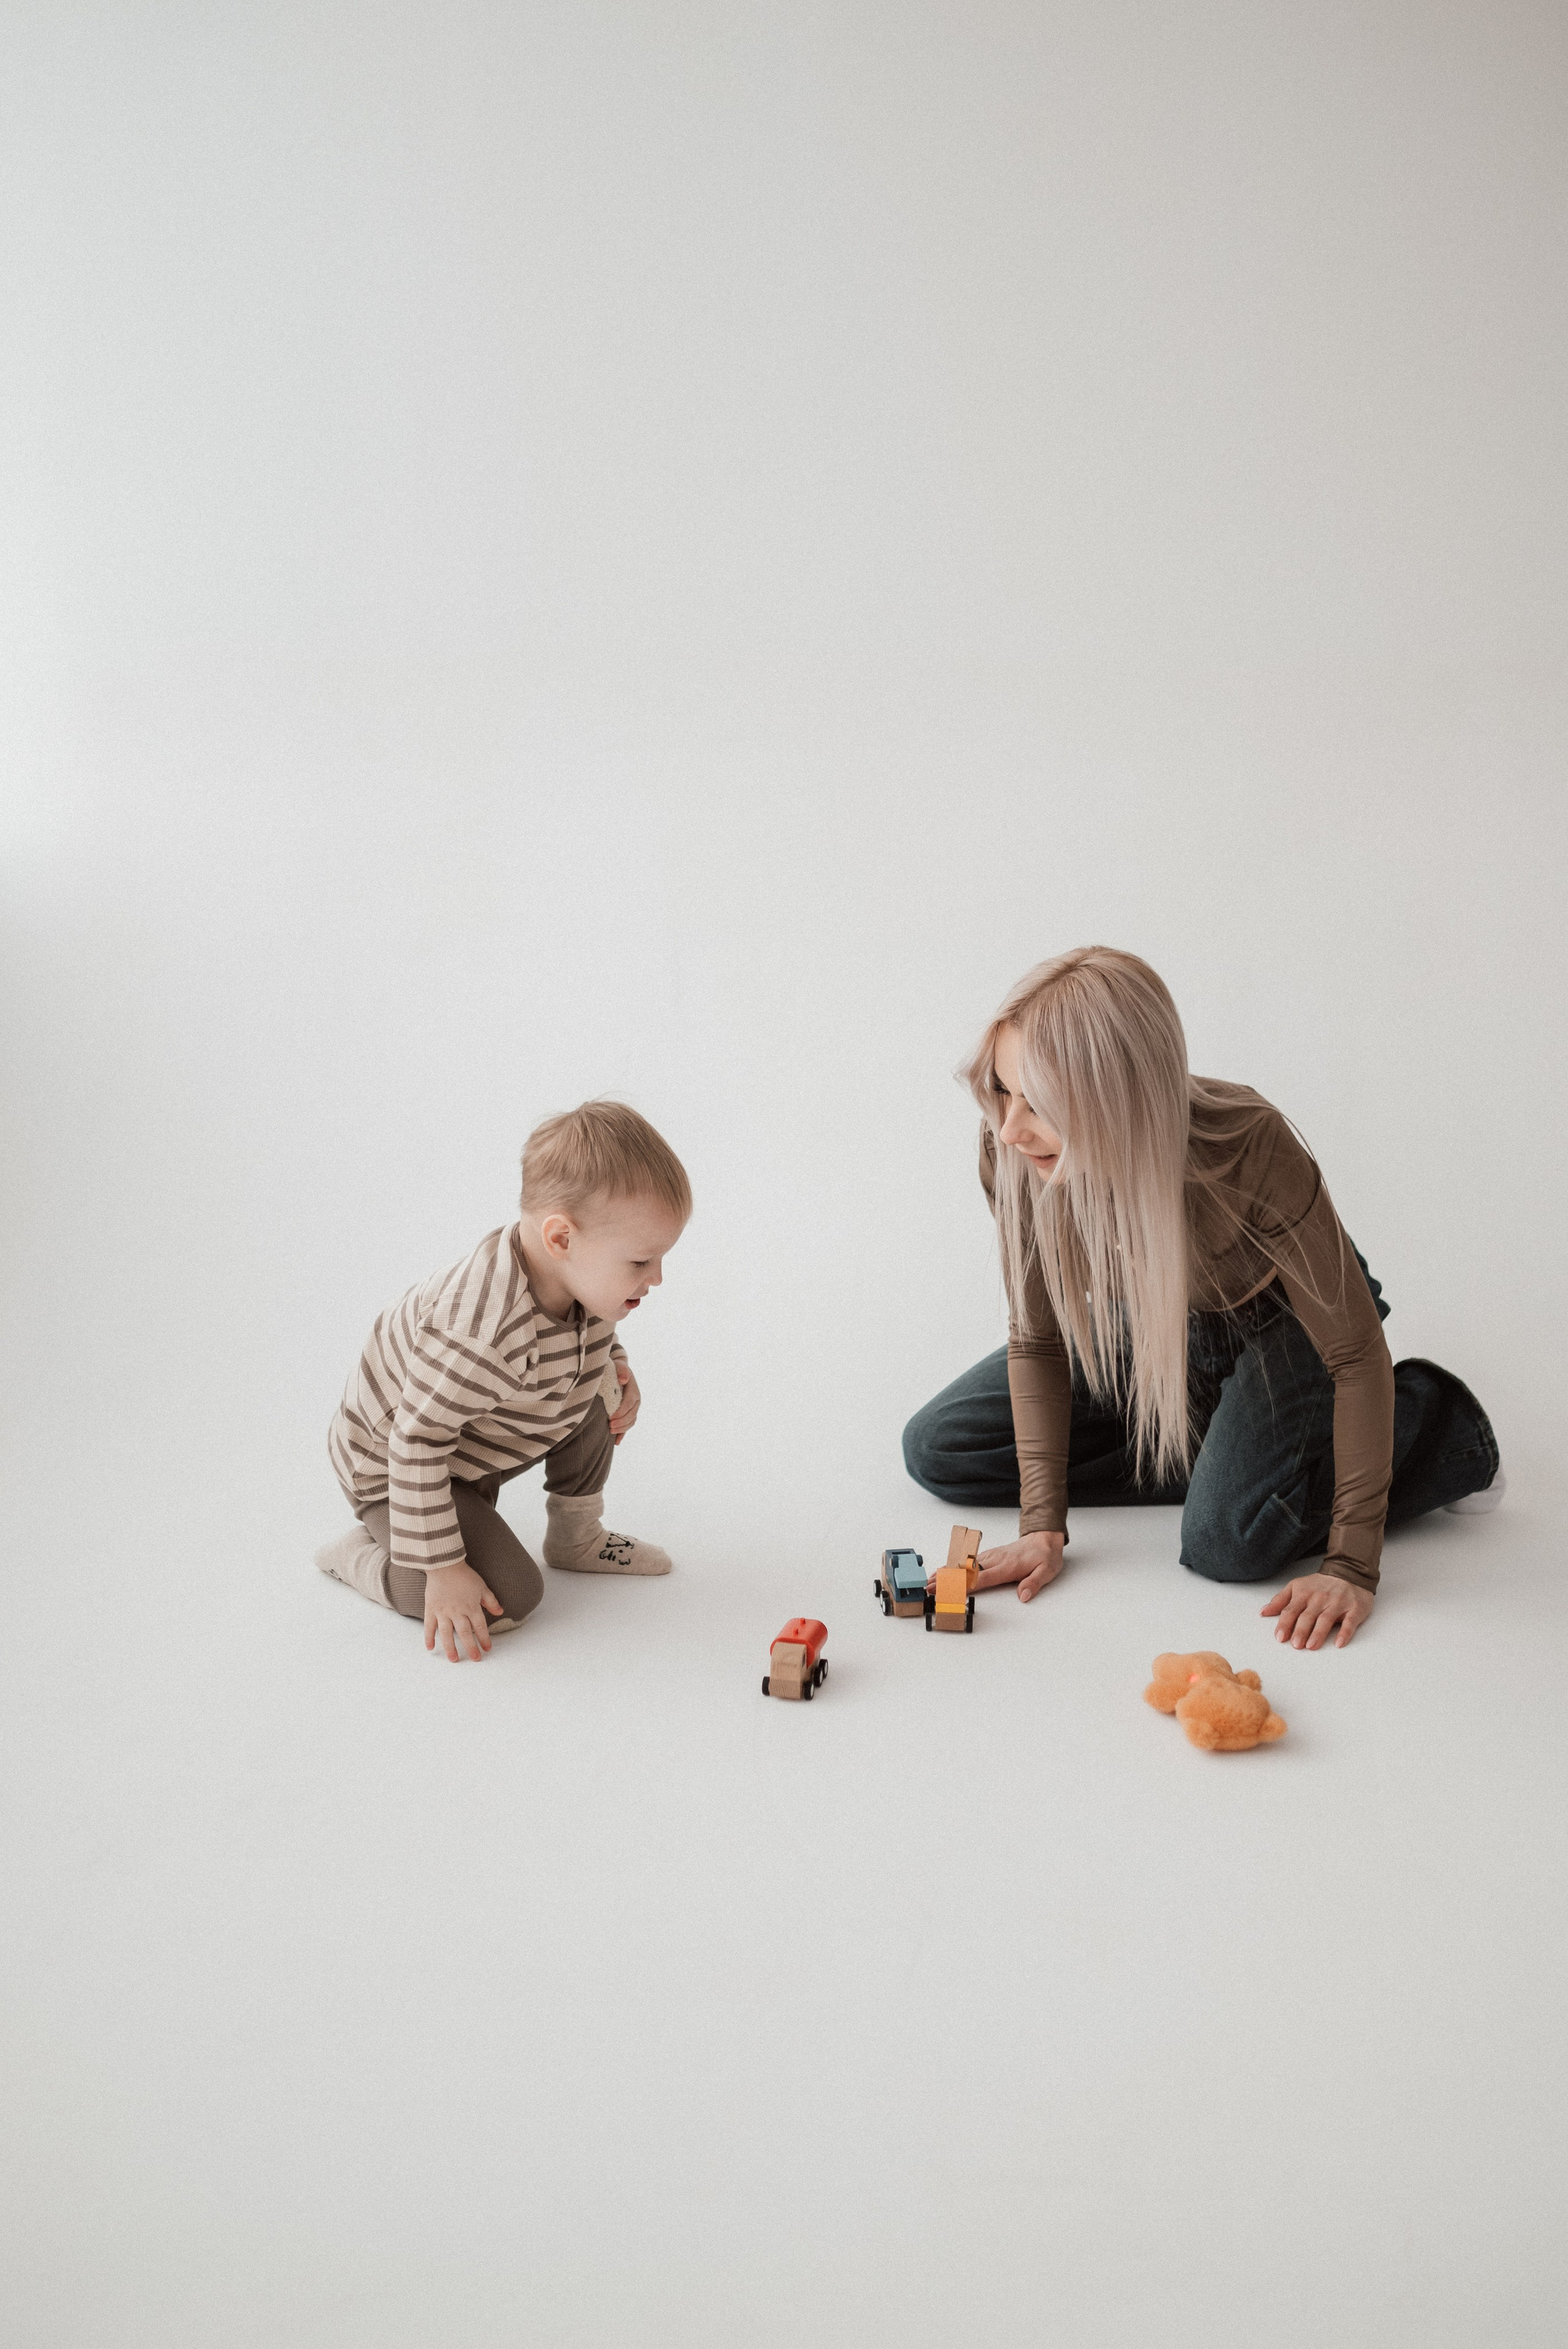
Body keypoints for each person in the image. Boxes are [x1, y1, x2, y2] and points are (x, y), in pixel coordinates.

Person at [902, 948, 1501, 1650]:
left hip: (1286, 1320)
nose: (1009, 1128)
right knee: (940, 1449)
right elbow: (1039, 1339)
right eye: (1004, 1092)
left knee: (1226, 1540)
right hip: (1157, 1312)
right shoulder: (1010, 1147)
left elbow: (1353, 1355)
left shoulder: (1250, 1143)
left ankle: (1442, 1426)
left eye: (1038, 1105)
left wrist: (1351, 1563)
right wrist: (1041, 1527)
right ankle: (1226, 1447)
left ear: (1117, 1100)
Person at [314, 1099, 689, 1662]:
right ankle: (365, 1558)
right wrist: (443, 1570)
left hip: (473, 1435)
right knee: (509, 1599)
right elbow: (415, 1444)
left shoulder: (572, 1269)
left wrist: (615, 1364)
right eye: (640, 1262)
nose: (657, 1277)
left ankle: (575, 1537)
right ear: (561, 1237)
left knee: (595, 1392)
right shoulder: (481, 1333)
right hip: (398, 1469)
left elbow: (594, 1328)